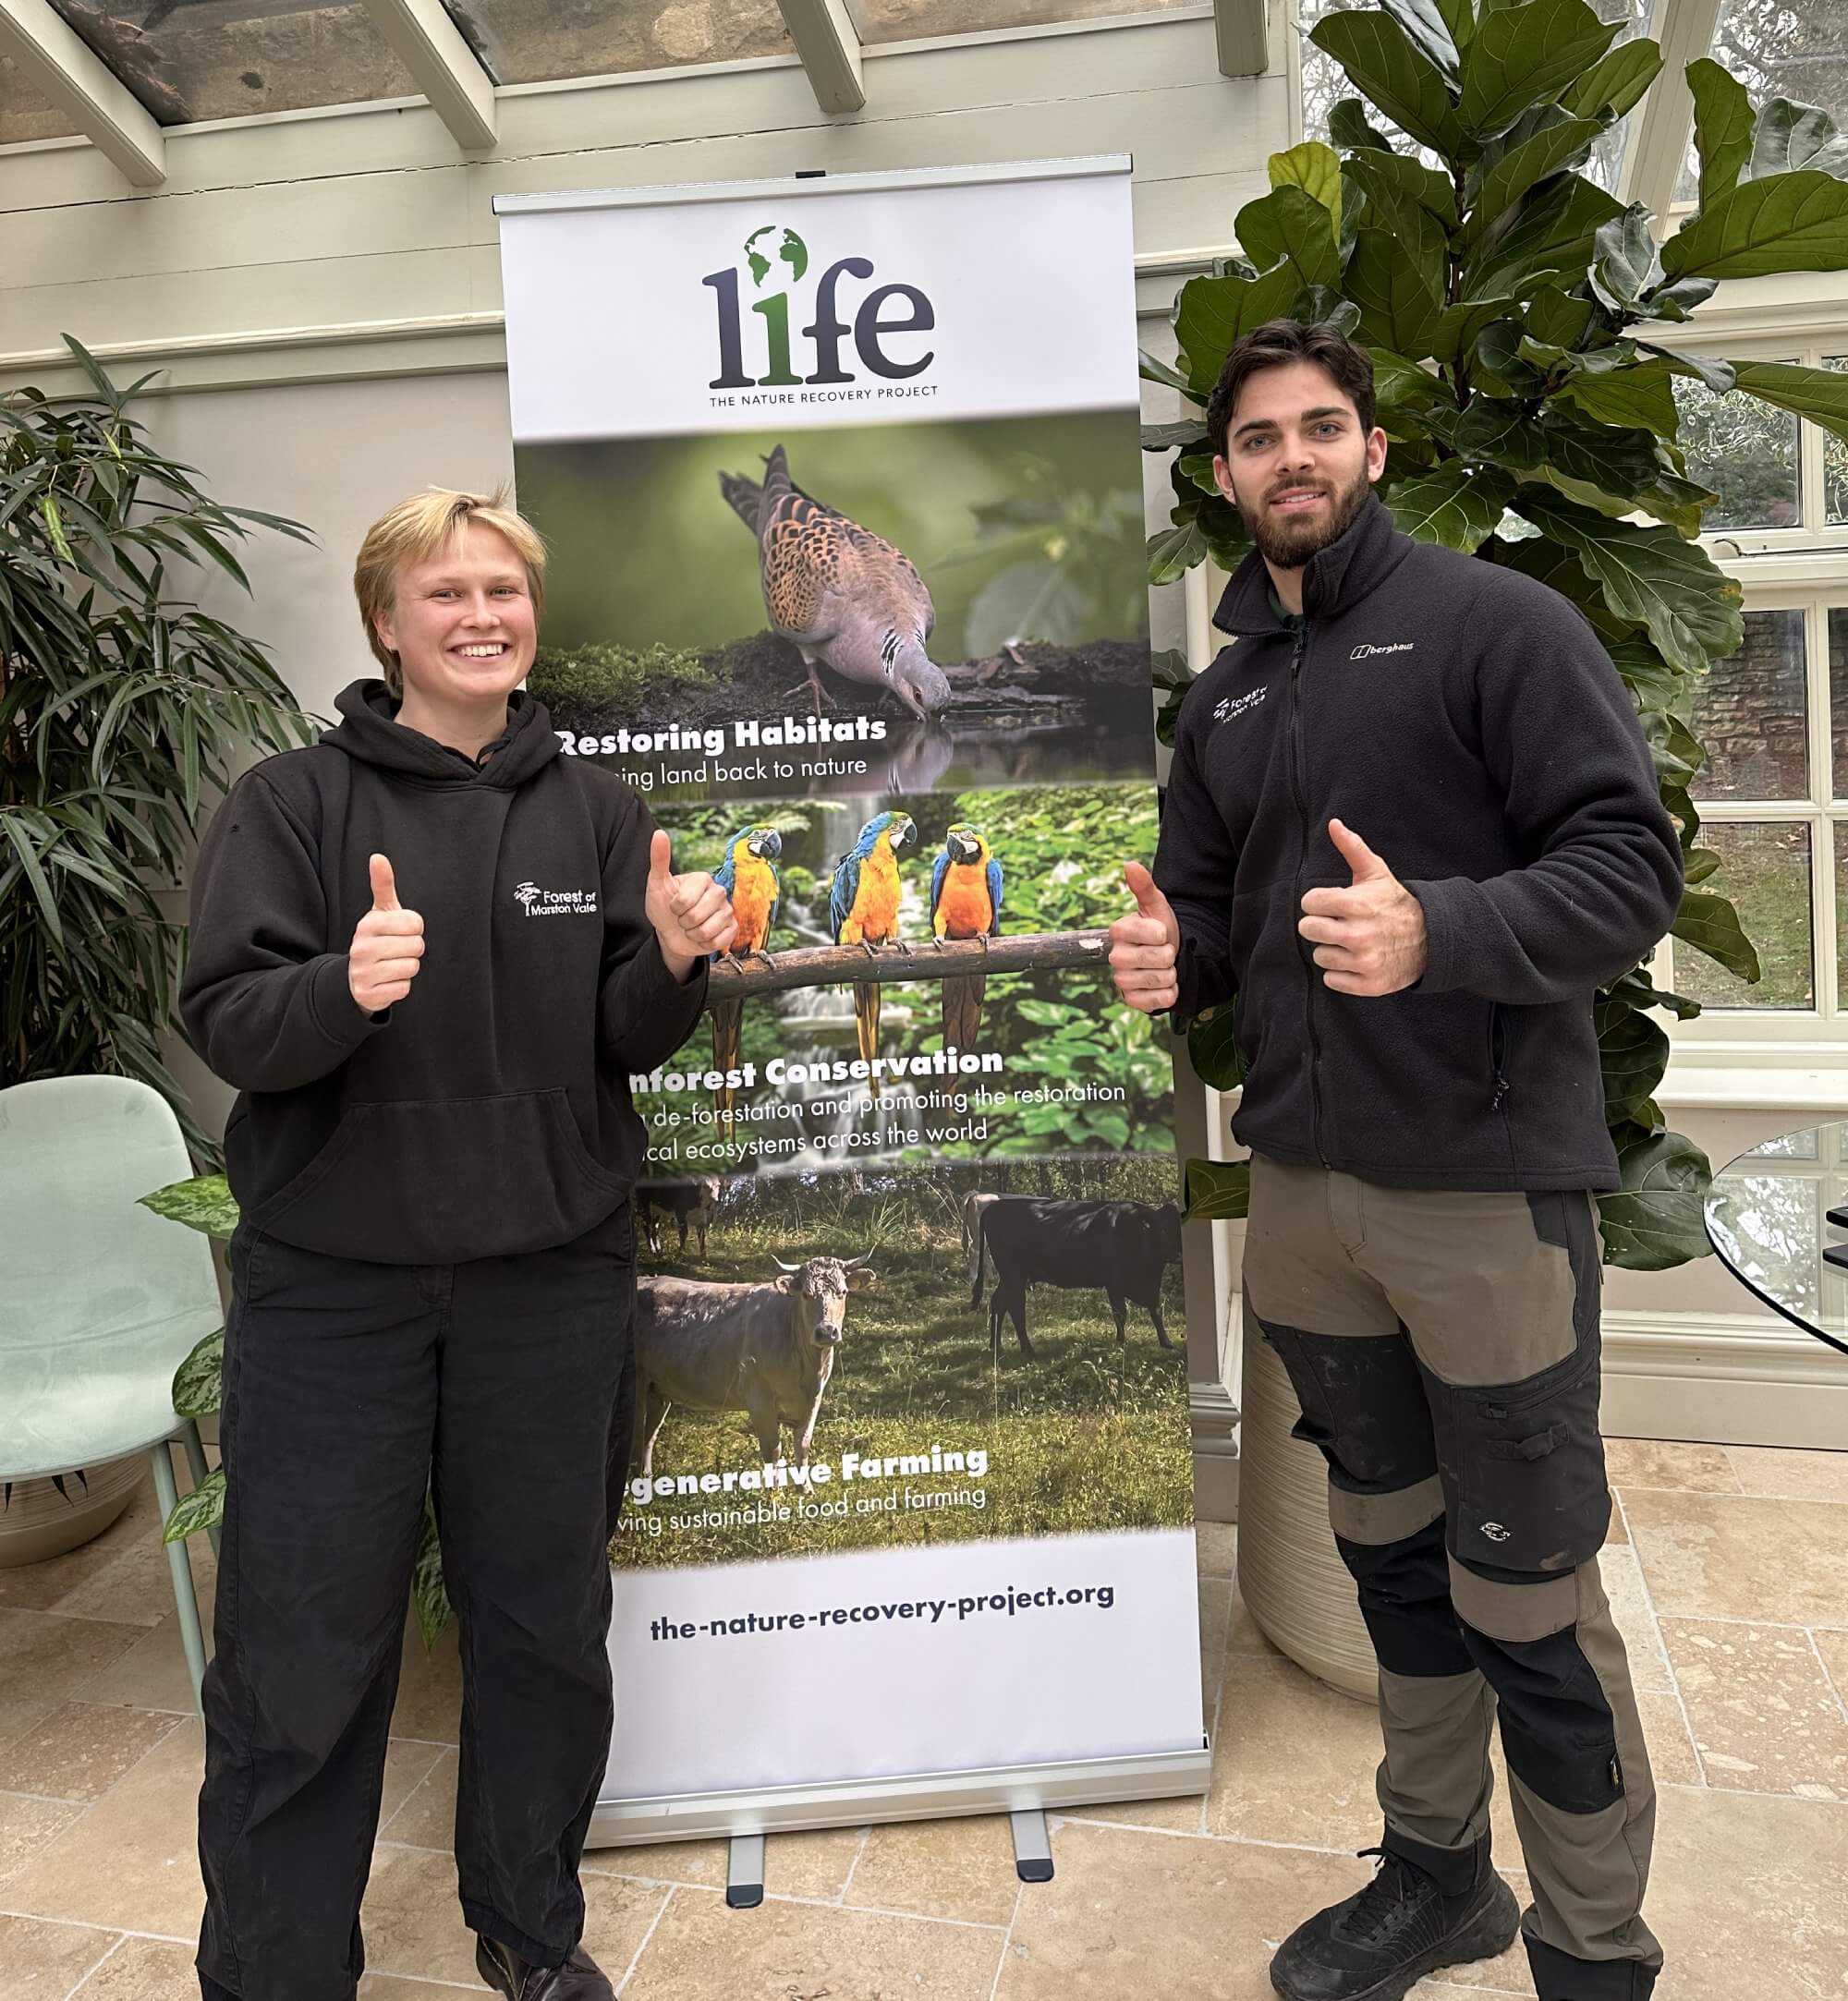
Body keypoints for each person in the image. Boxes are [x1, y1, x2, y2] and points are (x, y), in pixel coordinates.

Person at [1111, 321, 1680, 2001]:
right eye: (1260, 438)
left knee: (1528, 1590)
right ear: (1222, 475)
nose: (1293, 457)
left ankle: (1595, 1953)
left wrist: (1443, 929)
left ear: (1372, 448)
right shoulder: (1224, 694)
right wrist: (1174, 964)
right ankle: (1438, 1876)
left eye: (1324, 428)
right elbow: (1207, 917)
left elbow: (1627, 864)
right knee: (1392, 1559)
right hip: (1300, 1200)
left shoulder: (1498, 626)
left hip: (1482, 1196)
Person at [179, 489, 736, 2001]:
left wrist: (675, 962)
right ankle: (277, 1971)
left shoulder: (597, 809)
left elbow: (622, 1034)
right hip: (334, 1297)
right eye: (448, 593)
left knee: (542, 1630)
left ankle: (528, 1931)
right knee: (300, 1652)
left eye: (506, 589)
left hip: (547, 1286)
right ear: (385, 622)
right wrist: (341, 990)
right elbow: (227, 1017)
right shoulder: (291, 805)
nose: (484, 615)